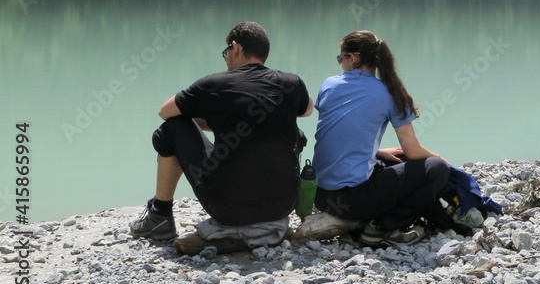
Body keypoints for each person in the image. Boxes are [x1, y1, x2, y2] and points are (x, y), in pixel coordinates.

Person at [130, 21, 314, 241]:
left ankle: (159, 215)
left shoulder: (214, 84)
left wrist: (214, 115)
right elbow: (307, 110)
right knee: (288, 128)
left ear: (235, 48)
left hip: (227, 209)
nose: (226, 57)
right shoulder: (291, 82)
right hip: (282, 206)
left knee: (172, 127)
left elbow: (165, 112)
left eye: (226, 51)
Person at [311, 30, 449, 247]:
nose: (340, 63)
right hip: (352, 201)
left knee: (396, 158)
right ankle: (383, 228)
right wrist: (442, 159)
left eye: (340, 58)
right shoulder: (388, 93)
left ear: (353, 58)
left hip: (320, 195)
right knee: (436, 168)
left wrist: (377, 152)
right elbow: (413, 150)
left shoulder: (329, 84)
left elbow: (340, 134)